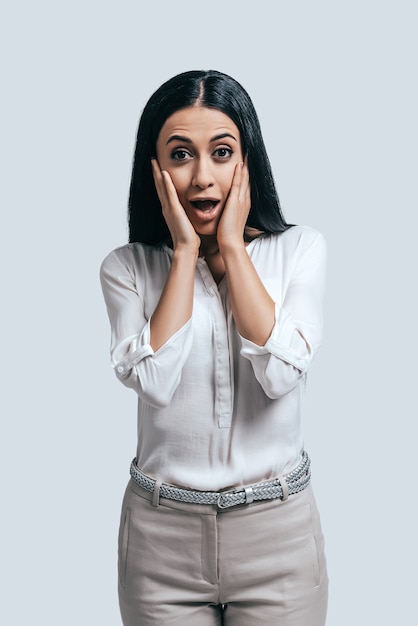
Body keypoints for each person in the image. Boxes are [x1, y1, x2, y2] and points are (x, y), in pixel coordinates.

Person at [100, 69, 328, 626]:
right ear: (154, 169)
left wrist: (231, 243)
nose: (202, 177)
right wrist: (183, 254)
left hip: (277, 535)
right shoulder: (126, 267)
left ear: (246, 161)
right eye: (180, 155)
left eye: (222, 152)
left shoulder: (299, 250)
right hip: (161, 542)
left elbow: (279, 376)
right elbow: (154, 383)